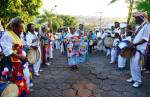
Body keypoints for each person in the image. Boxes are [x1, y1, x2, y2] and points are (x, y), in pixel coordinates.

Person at [3, 17, 29, 96]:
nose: (22, 30)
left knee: (23, 80)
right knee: (14, 83)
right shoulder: (7, 35)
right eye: (20, 28)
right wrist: (19, 56)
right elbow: (7, 50)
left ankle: (22, 93)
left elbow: (22, 46)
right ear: (14, 27)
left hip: (20, 62)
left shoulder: (18, 35)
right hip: (11, 64)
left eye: (22, 28)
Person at [126, 12, 150, 88]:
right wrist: (132, 42)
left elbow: (145, 39)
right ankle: (133, 78)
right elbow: (136, 36)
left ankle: (138, 81)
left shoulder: (147, 26)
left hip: (139, 49)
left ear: (141, 18)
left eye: (136, 18)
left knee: (137, 65)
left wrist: (135, 44)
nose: (135, 19)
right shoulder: (139, 26)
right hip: (134, 48)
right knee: (132, 64)